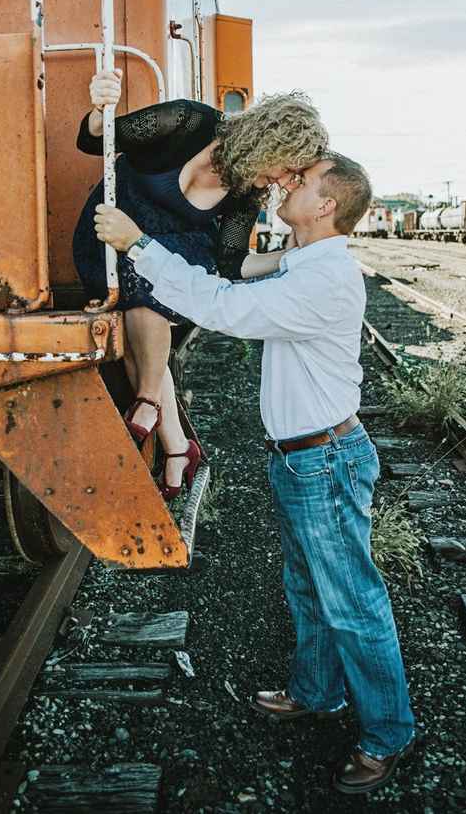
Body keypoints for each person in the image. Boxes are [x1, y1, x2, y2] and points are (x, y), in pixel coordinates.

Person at [94, 153, 415, 795]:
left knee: (351, 600)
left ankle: (388, 735)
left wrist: (140, 245)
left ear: (328, 205)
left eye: (301, 183)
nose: (286, 187)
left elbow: (224, 307)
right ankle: (317, 692)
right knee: (307, 587)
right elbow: (245, 270)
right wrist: (246, 220)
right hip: (303, 457)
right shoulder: (305, 261)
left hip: (323, 459)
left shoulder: (323, 279)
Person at [73, 71, 328, 497]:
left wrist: (292, 255)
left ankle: (151, 406)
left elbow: (231, 263)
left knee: (149, 278)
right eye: (288, 169)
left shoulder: (248, 193)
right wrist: (99, 109)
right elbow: (97, 140)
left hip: (170, 252)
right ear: (268, 143)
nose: (285, 182)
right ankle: (172, 438)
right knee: (143, 279)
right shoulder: (189, 122)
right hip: (110, 228)